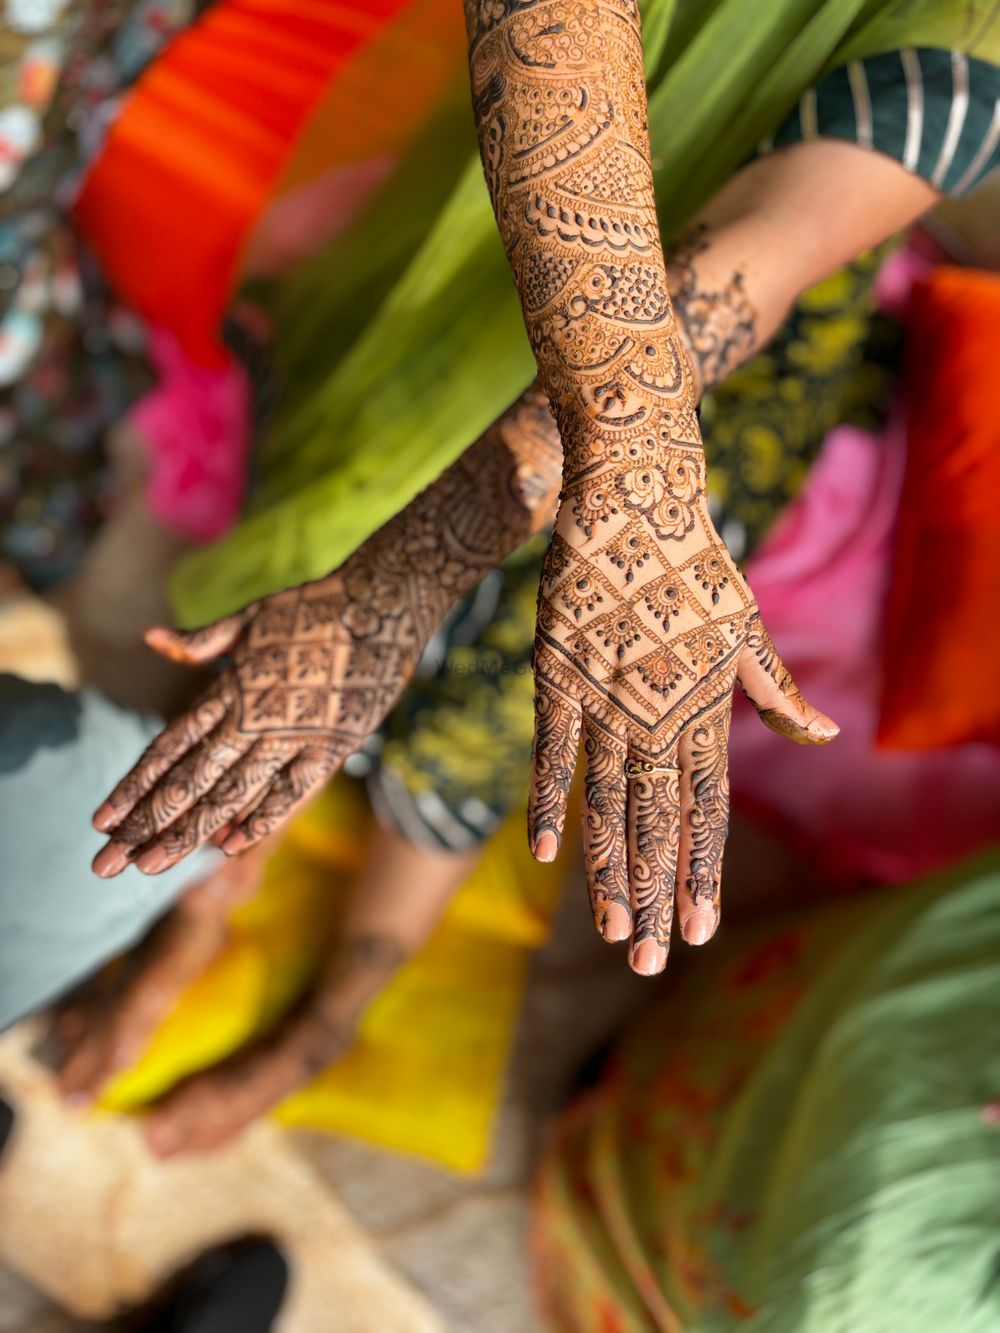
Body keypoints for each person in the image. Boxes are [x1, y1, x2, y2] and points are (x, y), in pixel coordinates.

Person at [91, 0, 1000, 976]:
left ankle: (331, 1009)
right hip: (535, 135)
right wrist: (615, 477)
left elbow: (766, 246)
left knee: (567, 661)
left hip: (750, 284)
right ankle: (206, 899)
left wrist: (421, 566)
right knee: (360, 471)